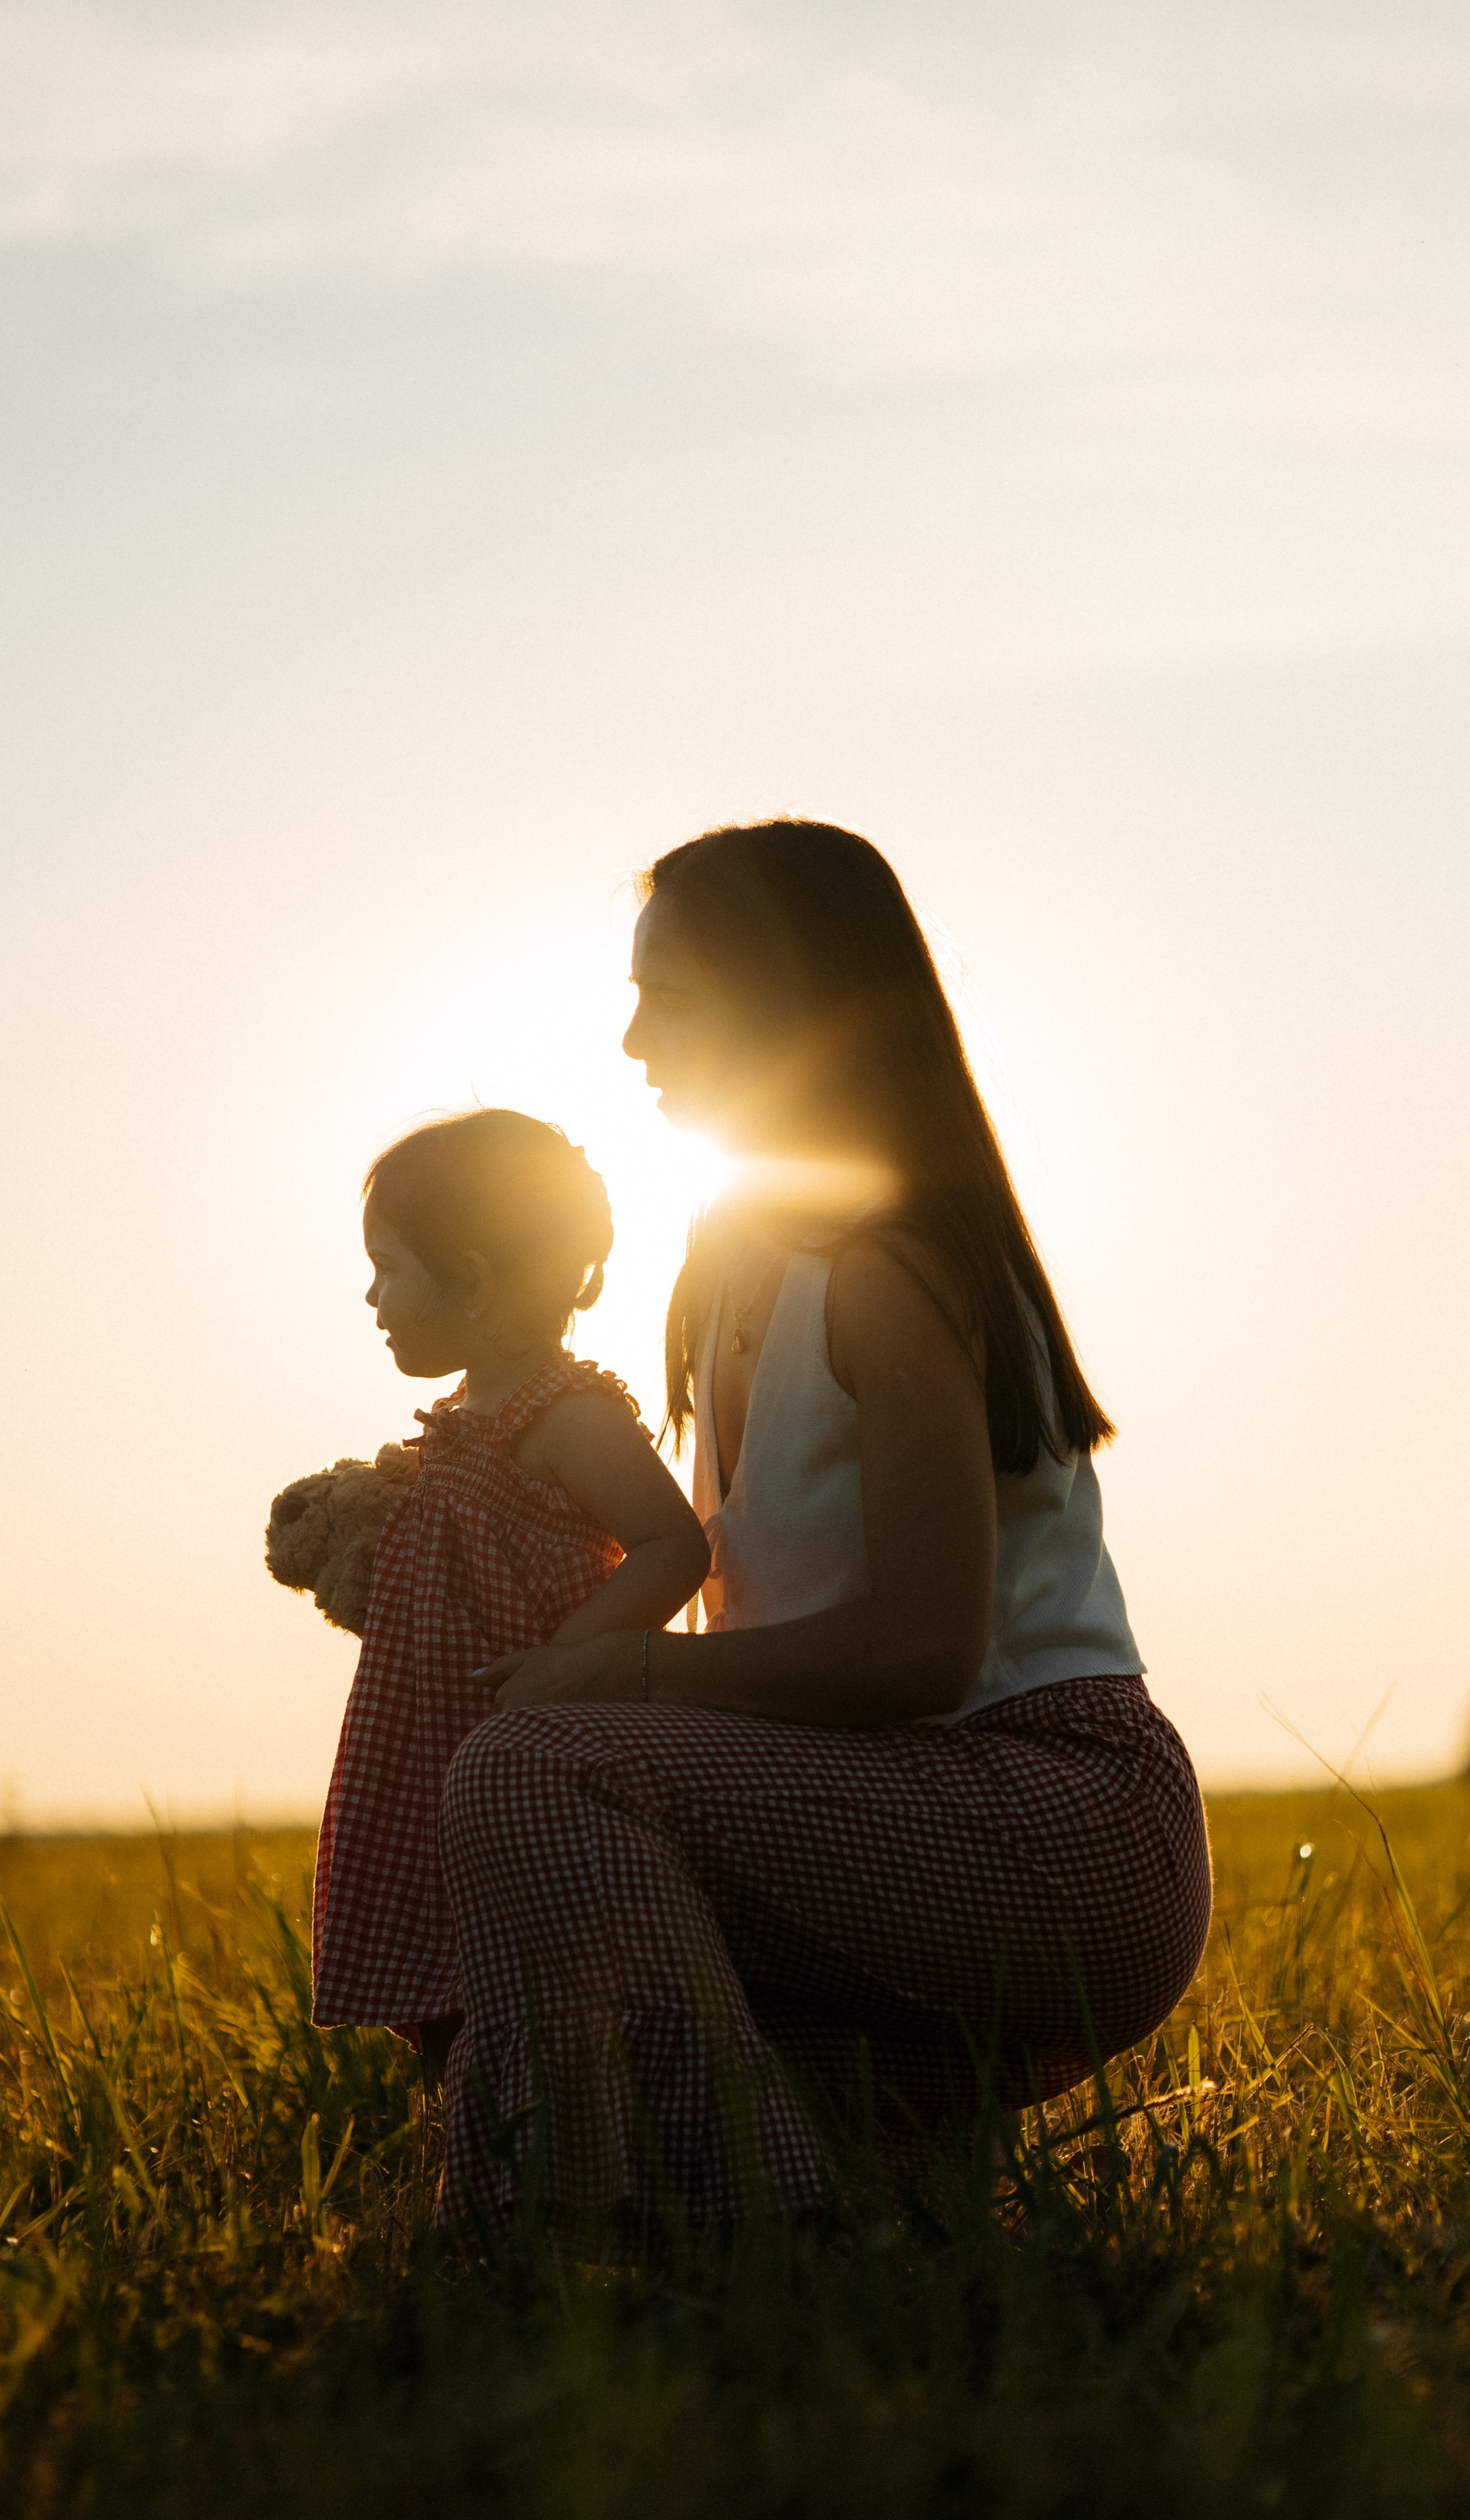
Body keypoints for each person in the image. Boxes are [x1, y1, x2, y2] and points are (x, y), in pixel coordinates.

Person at [445, 820, 1213, 2231]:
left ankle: (731, 2244)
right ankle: (792, 2208)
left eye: (666, 996)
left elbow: (923, 1652)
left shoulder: (885, 1265)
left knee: (527, 1776)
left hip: (1056, 1816)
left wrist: (621, 1677)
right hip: (897, 1816)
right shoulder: (733, 1268)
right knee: (550, 2045)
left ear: (790, 1004)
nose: (626, 1040)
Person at [310, 1109, 710, 2059]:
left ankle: (548, 2156)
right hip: (429, 1744)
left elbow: (672, 1545)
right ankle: (493, 2151)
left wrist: (569, 1660)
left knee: (532, 1970)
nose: (371, 1296)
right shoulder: (461, 1413)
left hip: (518, 1740)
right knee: (446, 1980)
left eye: (388, 1266)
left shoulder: (566, 1411)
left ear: (476, 1277)